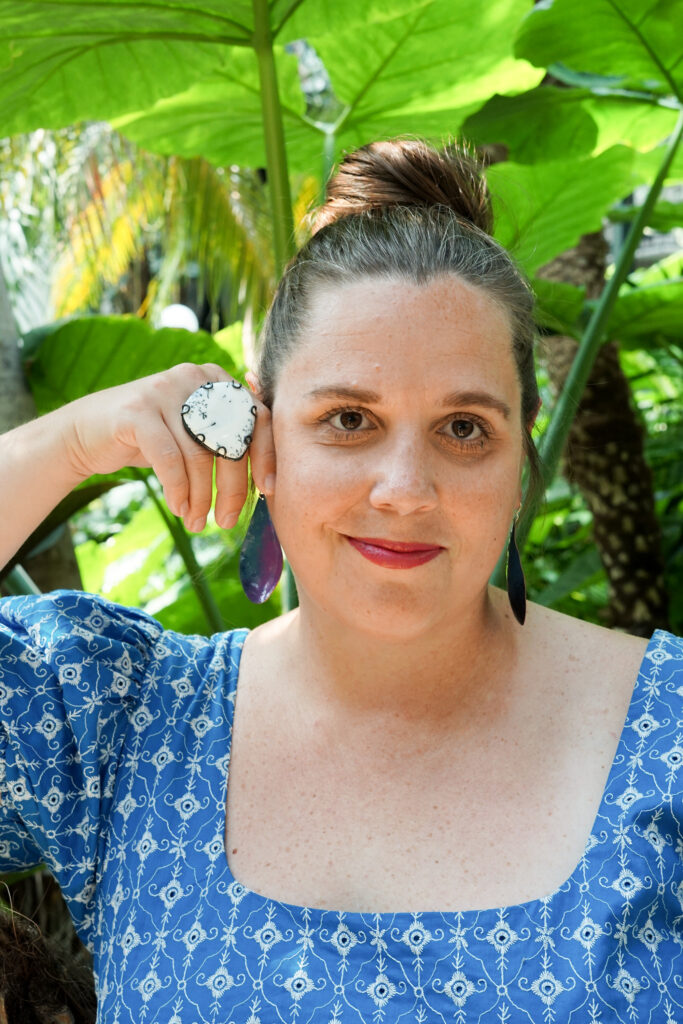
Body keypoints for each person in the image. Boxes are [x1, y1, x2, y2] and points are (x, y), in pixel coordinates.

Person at [0, 138, 681, 1023]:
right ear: (260, 430)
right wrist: (69, 443)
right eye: (349, 418)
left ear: (521, 461)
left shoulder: (667, 731)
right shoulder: (116, 721)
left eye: (465, 429)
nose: (404, 491)